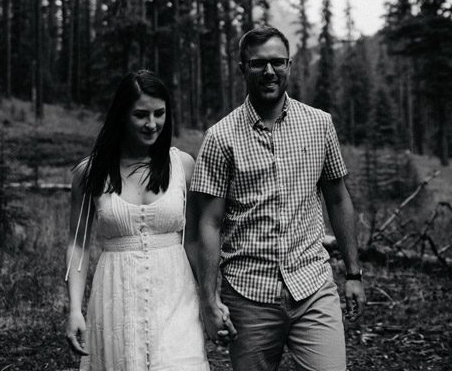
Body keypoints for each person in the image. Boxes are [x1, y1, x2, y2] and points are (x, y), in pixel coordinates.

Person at [188, 26, 367, 371]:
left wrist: (354, 275)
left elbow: (338, 198)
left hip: (313, 285)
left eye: (277, 62)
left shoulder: (319, 124)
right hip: (248, 294)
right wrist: (209, 300)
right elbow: (208, 223)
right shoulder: (220, 138)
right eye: (258, 64)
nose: (269, 71)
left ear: (289, 65)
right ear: (242, 68)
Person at [64, 69, 210, 371]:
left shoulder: (182, 165)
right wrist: (74, 309)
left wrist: (210, 299)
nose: (152, 124)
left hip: (176, 296)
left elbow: (194, 241)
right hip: (115, 298)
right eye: (141, 115)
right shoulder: (89, 173)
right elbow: (78, 246)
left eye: (160, 113)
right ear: (121, 115)